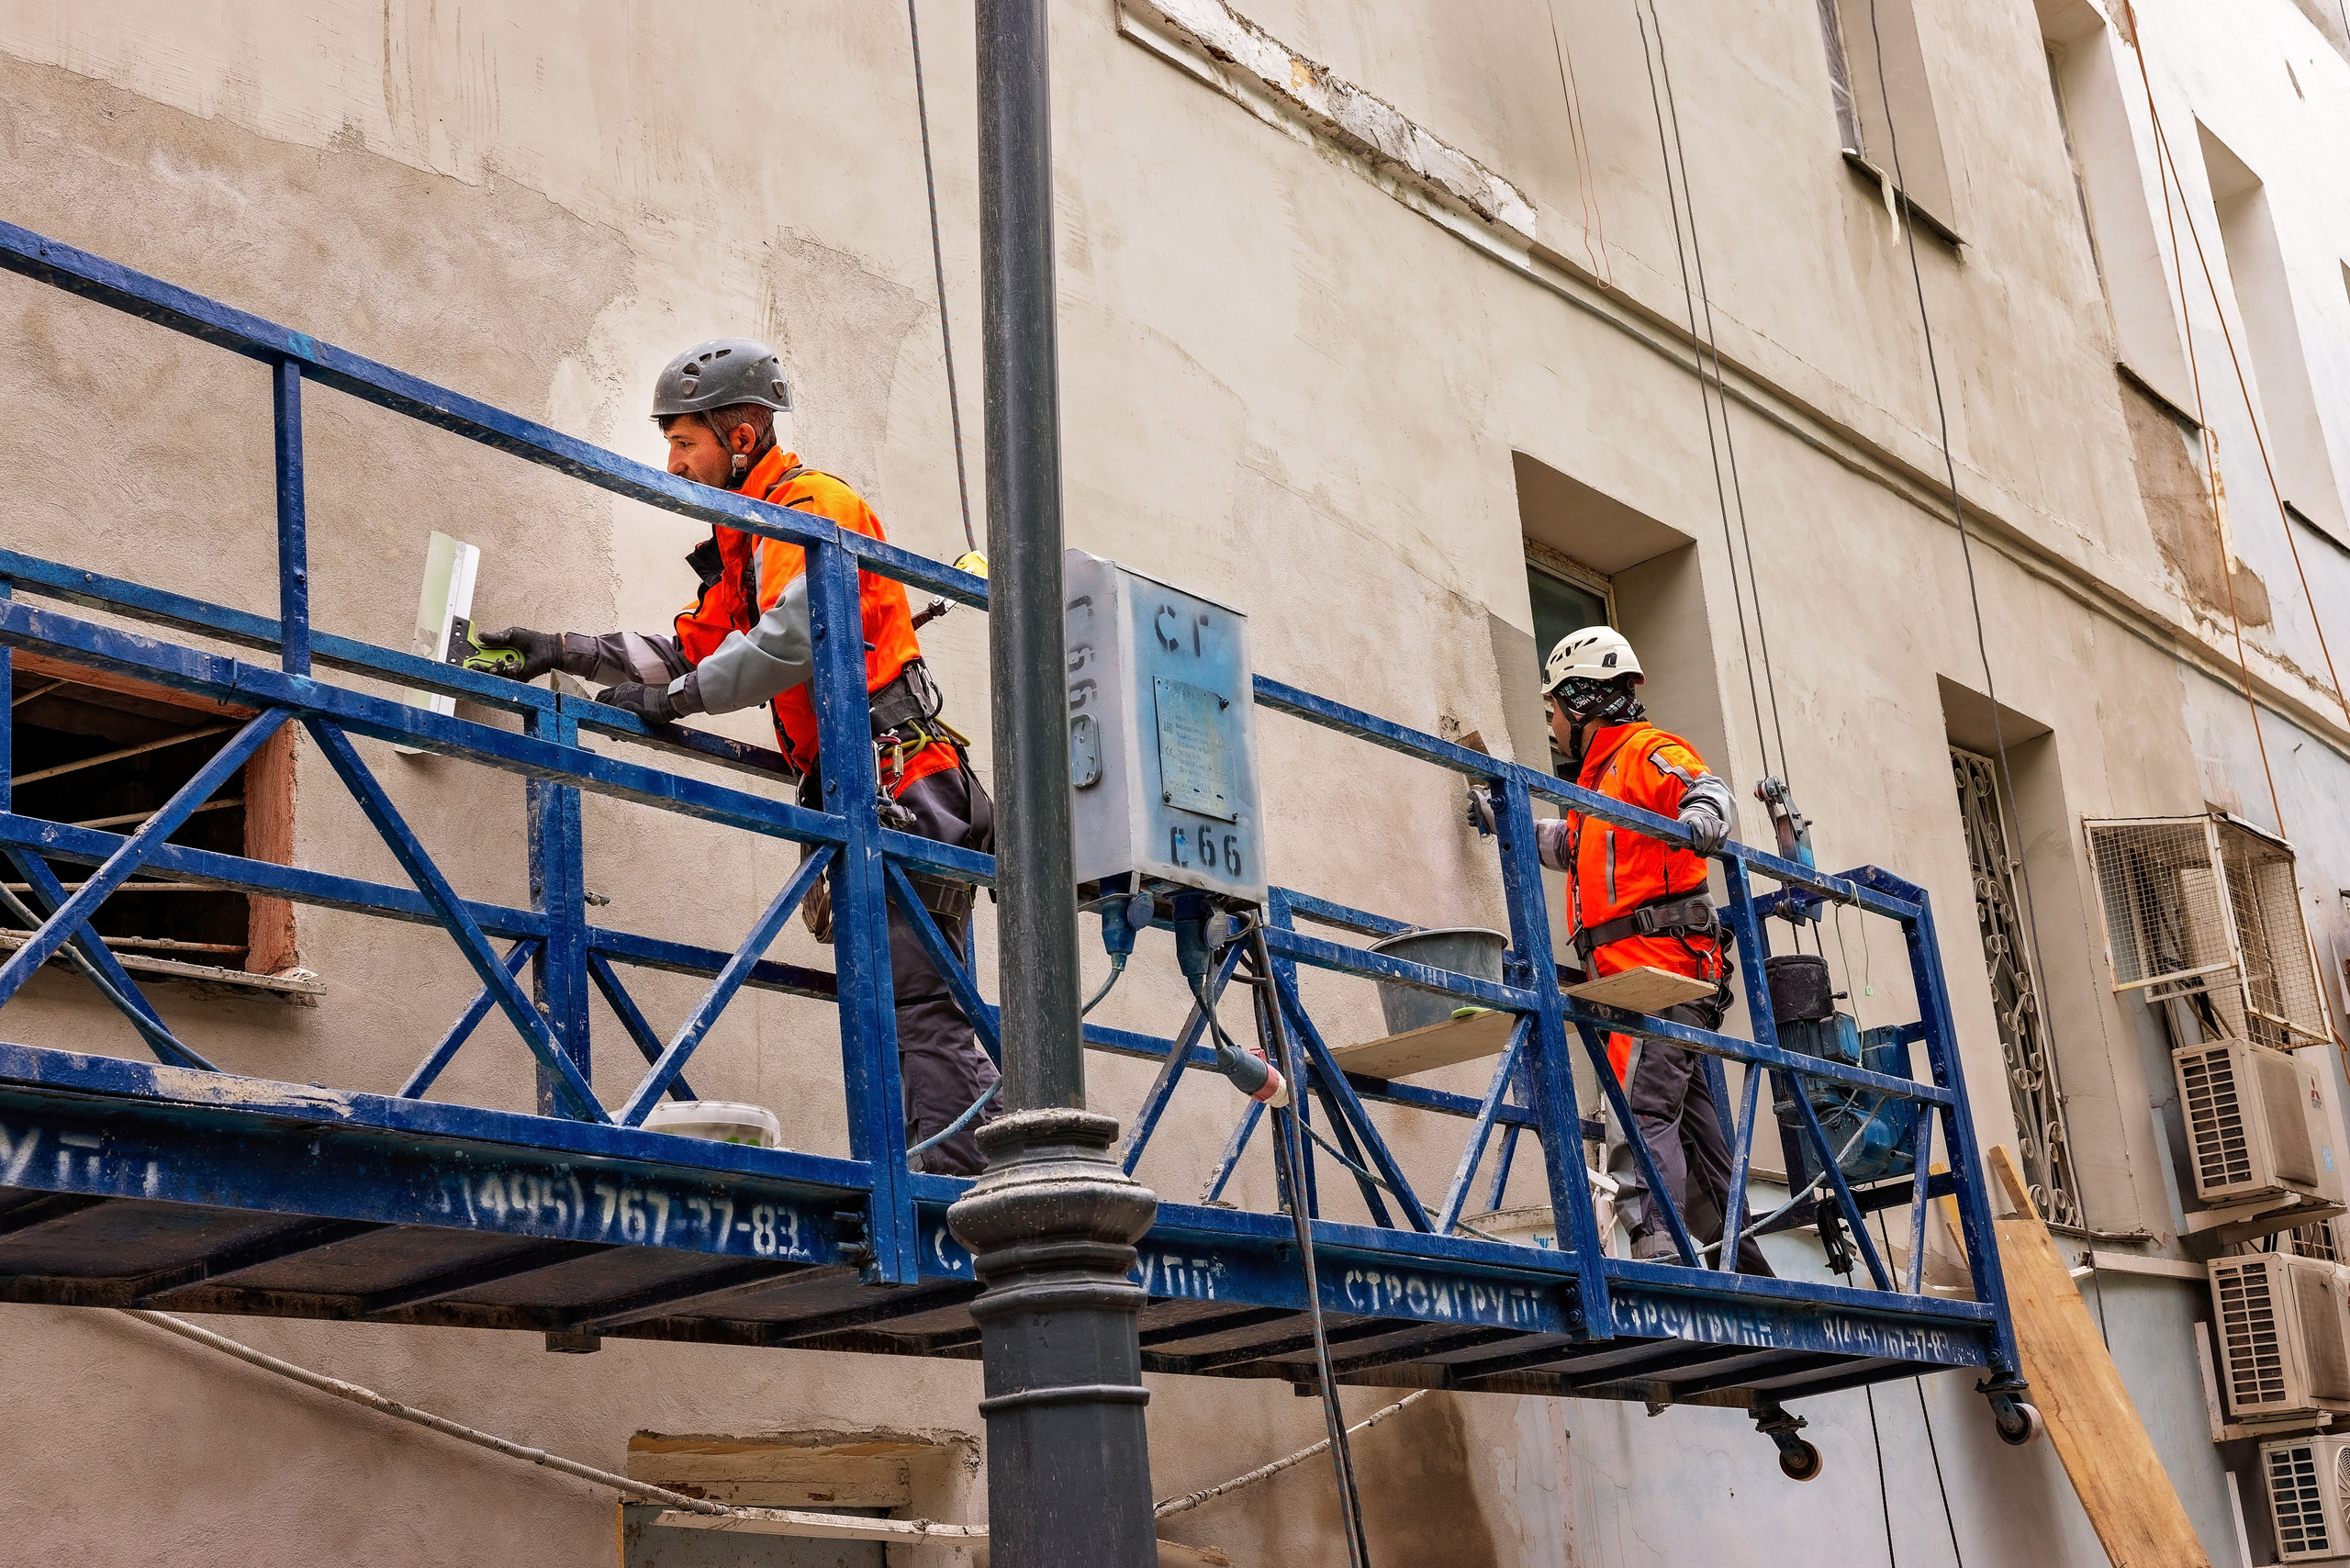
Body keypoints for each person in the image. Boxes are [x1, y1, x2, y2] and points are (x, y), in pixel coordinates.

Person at [473, 339, 1000, 1175]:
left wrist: (676, 703)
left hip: (899, 776)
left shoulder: (807, 507)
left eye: (685, 443)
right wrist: (564, 649)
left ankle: (965, 1191)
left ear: (743, 435)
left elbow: (792, 638)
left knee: (917, 1006)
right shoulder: (748, 536)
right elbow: (691, 649)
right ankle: (951, 1174)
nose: (672, 463)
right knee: (898, 1005)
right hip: (876, 783)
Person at [1487, 626, 1772, 1275]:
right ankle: (1743, 1268)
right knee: (1698, 1140)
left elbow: (1708, 792)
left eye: (1554, 710)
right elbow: (1570, 846)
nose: (1554, 725)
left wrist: (1702, 817)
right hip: (1647, 980)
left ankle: (1659, 1262)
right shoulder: (1601, 785)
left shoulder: (1644, 753)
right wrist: (1503, 821)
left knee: (1639, 1111)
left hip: (1658, 977)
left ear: (1583, 701)